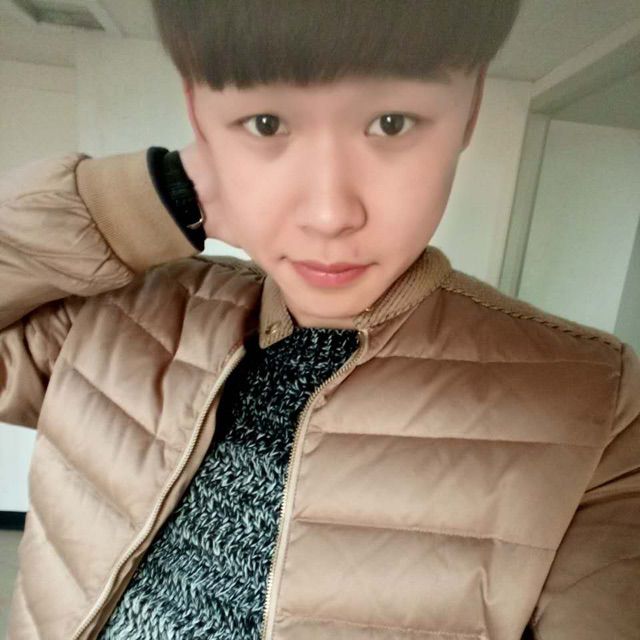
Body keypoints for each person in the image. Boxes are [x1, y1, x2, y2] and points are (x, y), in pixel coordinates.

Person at [1, 1, 638, 638]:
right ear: (198, 115)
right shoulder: (120, 312)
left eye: (391, 123)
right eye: (266, 122)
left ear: (469, 110)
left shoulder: (594, 397)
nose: (330, 215)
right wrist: (156, 193)